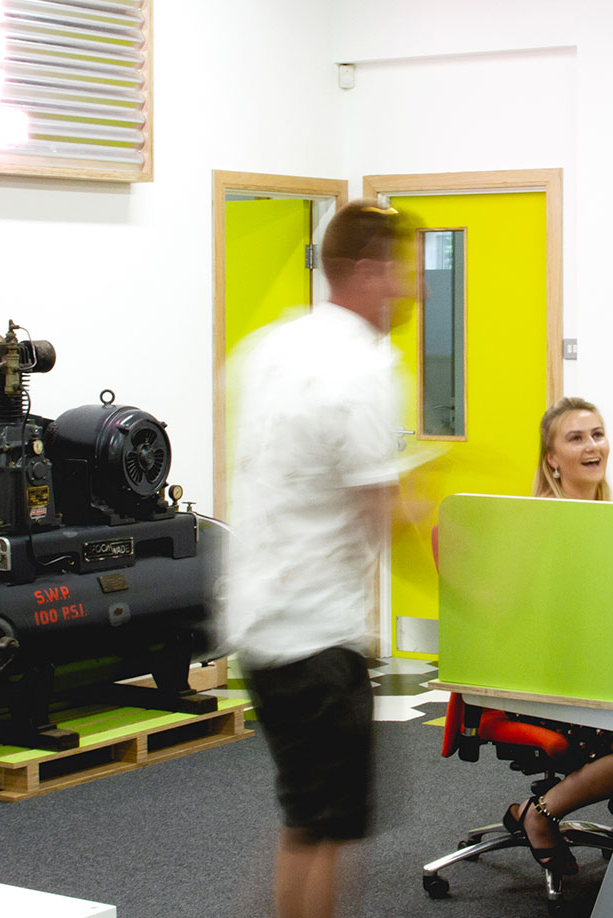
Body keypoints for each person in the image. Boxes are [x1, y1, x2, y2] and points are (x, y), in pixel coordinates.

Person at [224, 200, 413, 918]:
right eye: (402, 271)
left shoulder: (271, 347)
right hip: (316, 631)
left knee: (306, 821)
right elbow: (379, 507)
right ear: (368, 269)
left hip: (261, 624)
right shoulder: (364, 367)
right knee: (325, 833)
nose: (412, 290)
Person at [500, 396, 613, 876]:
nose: (592, 446)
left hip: (599, 671)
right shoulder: (540, 520)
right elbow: (526, 617)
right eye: (576, 437)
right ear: (552, 459)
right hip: (544, 679)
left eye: (598, 434)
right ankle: (539, 815)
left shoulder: (610, 518)